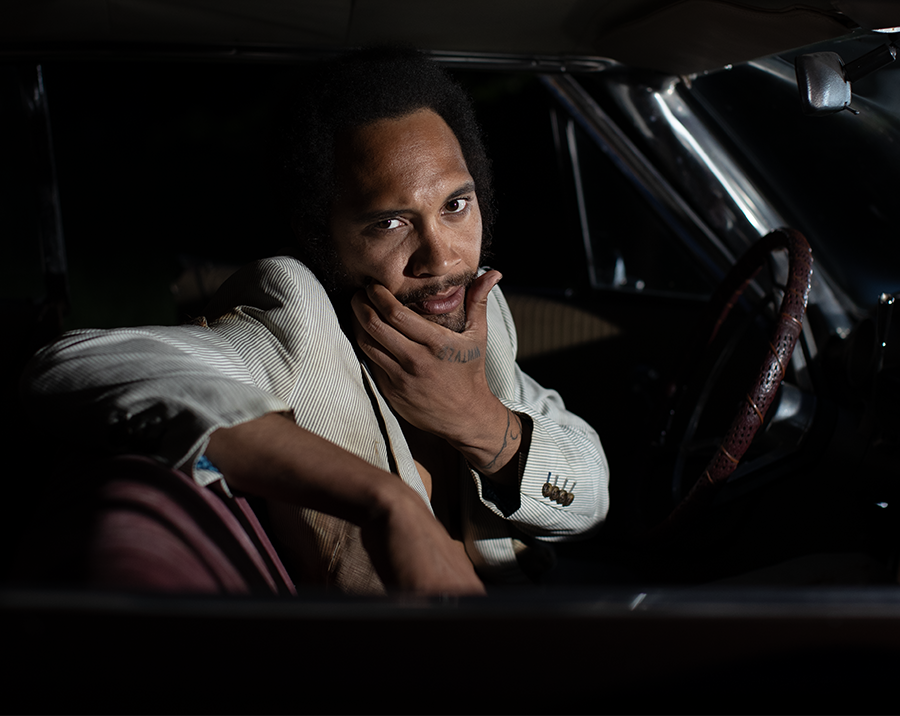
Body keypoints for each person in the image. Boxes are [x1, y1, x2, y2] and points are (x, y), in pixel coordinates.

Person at [23, 49, 609, 594]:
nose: (443, 257)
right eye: (390, 224)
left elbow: (591, 497)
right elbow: (65, 366)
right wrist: (388, 503)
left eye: (455, 205)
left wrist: (477, 419)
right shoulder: (292, 329)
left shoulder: (474, 327)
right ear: (319, 234)